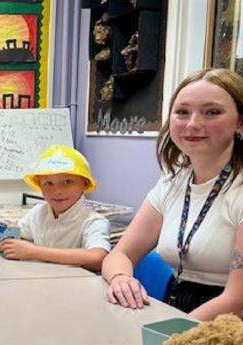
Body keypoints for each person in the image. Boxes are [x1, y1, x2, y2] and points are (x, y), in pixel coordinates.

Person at [103, 68, 243, 319]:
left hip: (228, 325)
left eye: (212, 112)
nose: (193, 124)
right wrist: (121, 278)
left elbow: (236, 298)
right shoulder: (172, 183)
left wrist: (175, 333)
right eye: (182, 112)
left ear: (240, 121)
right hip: (180, 308)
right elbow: (120, 254)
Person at [0, 145, 110, 271]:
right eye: (48, 183)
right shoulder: (38, 213)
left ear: (85, 184)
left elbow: (98, 257)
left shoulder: (93, 221)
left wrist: (34, 252)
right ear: (39, 186)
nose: (57, 190)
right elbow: (17, 229)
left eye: (67, 182)